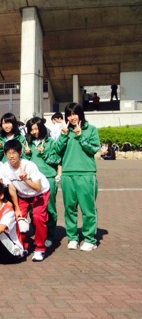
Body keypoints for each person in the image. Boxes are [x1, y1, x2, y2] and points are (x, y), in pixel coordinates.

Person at [54, 102, 101, 251]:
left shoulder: (91, 129)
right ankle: (73, 238)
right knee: (70, 209)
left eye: (75, 114)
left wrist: (81, 136)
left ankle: (90, 239)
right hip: (67, 174)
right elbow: (56, 151)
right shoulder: (65, 131)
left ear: (80, 114)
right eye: (69, 115)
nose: (72, 117)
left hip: (86, 174)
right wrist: (63, 136)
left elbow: (94, 149)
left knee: (88, 209)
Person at [1, 140, 51, 262]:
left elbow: (38, 187)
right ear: (5, 154)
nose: (11, 156)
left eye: (14, 152)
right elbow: (12, 188)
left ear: (20, 153)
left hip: (40, 193)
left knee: (38, 217)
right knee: (17, 219)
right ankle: (23, 246)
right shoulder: (5, 168)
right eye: (8, 153)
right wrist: (17, 208)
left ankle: (40, 248)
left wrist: (25, 179)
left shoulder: (29, 166)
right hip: (23, 195)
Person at [24, 117, 61, 246]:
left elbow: (57, 160)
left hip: (48, 177)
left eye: (36, 129)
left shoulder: (50, 142)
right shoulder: (27, 143)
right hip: (32, 180)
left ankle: (49, 235)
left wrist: (45, 153)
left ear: (42, 128)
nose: (34, 132)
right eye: (31, 129)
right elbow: (24, 162)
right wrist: (27, 154)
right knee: (33, 209)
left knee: (49, 208)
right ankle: (38, 233)